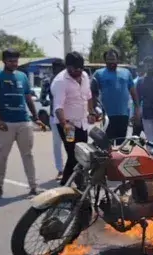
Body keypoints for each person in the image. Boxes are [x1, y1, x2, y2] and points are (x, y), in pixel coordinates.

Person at [0, 49, 45, 196]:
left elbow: (28, 98)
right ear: (4, 61)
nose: (14, 64)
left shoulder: (22, 76)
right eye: (11, 61)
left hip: (23, 122)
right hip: (5, 123)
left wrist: (36, 117)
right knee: (2, 155)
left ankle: (33, 186)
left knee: (28, 155)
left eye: (16, 61)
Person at [51, 52, 96, 187]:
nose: (78, 71)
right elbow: (58, 107)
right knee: (73, 156)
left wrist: (91, 112)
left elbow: (88, 96)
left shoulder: (85, 76)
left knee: (82, 155)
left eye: (81, 68)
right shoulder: (60, 82)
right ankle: (64, 186)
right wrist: (65, 125)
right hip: (67, 124)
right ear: (67, 66)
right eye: (75, 69)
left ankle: (79, 185)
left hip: (82, 123)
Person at [91, 48, 140, 145]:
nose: (111, 62)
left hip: (123, 115)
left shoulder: (126, 73)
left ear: (117, 59)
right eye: (108, 60)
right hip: (107, 116)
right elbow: (92, 93)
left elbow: (133, 93)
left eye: (113, 60)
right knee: (106, 145)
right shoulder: (98, 74)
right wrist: (94, 109)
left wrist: (137, 109)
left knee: (121, 145)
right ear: (105, 61)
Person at [40, 59, 66, 180]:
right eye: (57, 68)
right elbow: (42, 100)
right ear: (53, 68)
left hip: (69, 118)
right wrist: (54, 103)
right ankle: (60, 170)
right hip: (55, 118)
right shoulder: (48, 82)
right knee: (57, 144)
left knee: (71, 143)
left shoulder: (68, 80)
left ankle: (72, 169)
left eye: (62, 68)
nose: (60, 71)